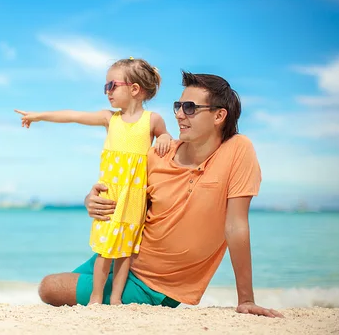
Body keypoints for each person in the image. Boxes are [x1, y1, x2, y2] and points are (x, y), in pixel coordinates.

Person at [37, 71, 284, 318]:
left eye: (190, 108)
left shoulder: (238, 150)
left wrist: (247, 299)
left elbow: (236, 225)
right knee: (54, 285)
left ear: (219, 115)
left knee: (50, 288)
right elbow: (126, 196)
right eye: (178, 106)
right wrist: (91, 200)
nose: (178, 114)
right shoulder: (157, 155)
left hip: (154, 285)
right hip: (119, 251)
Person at [15, 57, 172, 305]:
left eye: (112, 85)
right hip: (110, 194)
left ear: (134, 89)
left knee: (126, 253)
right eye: (105, 87)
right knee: (104, 250)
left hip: (134, 197)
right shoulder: (110, 119)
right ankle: (96, 298)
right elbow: (73, 116)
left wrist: (164, 137)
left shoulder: (152, 121)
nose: (107, 92)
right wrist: (39, 115)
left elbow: (164, 135)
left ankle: (117, 299)